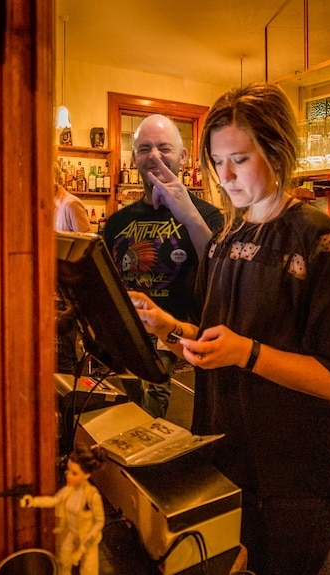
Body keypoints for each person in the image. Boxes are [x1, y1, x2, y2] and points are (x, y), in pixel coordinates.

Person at [129, 83, 330, 575]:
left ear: (277, 152)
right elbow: (220, 339)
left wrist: (248, 354)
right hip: (227, 461)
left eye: (239, 158)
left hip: (294, 479)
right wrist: (169, 328)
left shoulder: (319, 239)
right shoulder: (226, 239)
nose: (226, 176)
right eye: (218, 162)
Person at [102, 114, 223, 418]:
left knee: (156, 396)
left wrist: (189, 216)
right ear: (134, 158)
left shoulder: (208, 218)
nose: (154, 156)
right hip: (126, 330)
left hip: (178, 332)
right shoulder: (118, 221)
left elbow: (220, 276)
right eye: (144, 149)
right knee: (126, 402)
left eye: (164, 148)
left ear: (183, 156)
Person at [20, 445, 105, 575]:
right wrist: (33, 501)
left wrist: (82, 550)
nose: (68, 476)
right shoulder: (69, 490)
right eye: (68, 470)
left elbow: (99, 523)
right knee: (63, 563)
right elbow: (54, 501)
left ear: (86, 475)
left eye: (74, 473)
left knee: (89, 571)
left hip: (87, 539)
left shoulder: (92, 496)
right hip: (71, 533)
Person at [54, 161, 91, 373]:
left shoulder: (71, 204)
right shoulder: (51, 205)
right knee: (57, 355)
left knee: (65, 355)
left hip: (68, 296)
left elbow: (86, 250)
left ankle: (73, 402)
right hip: (55, 292)